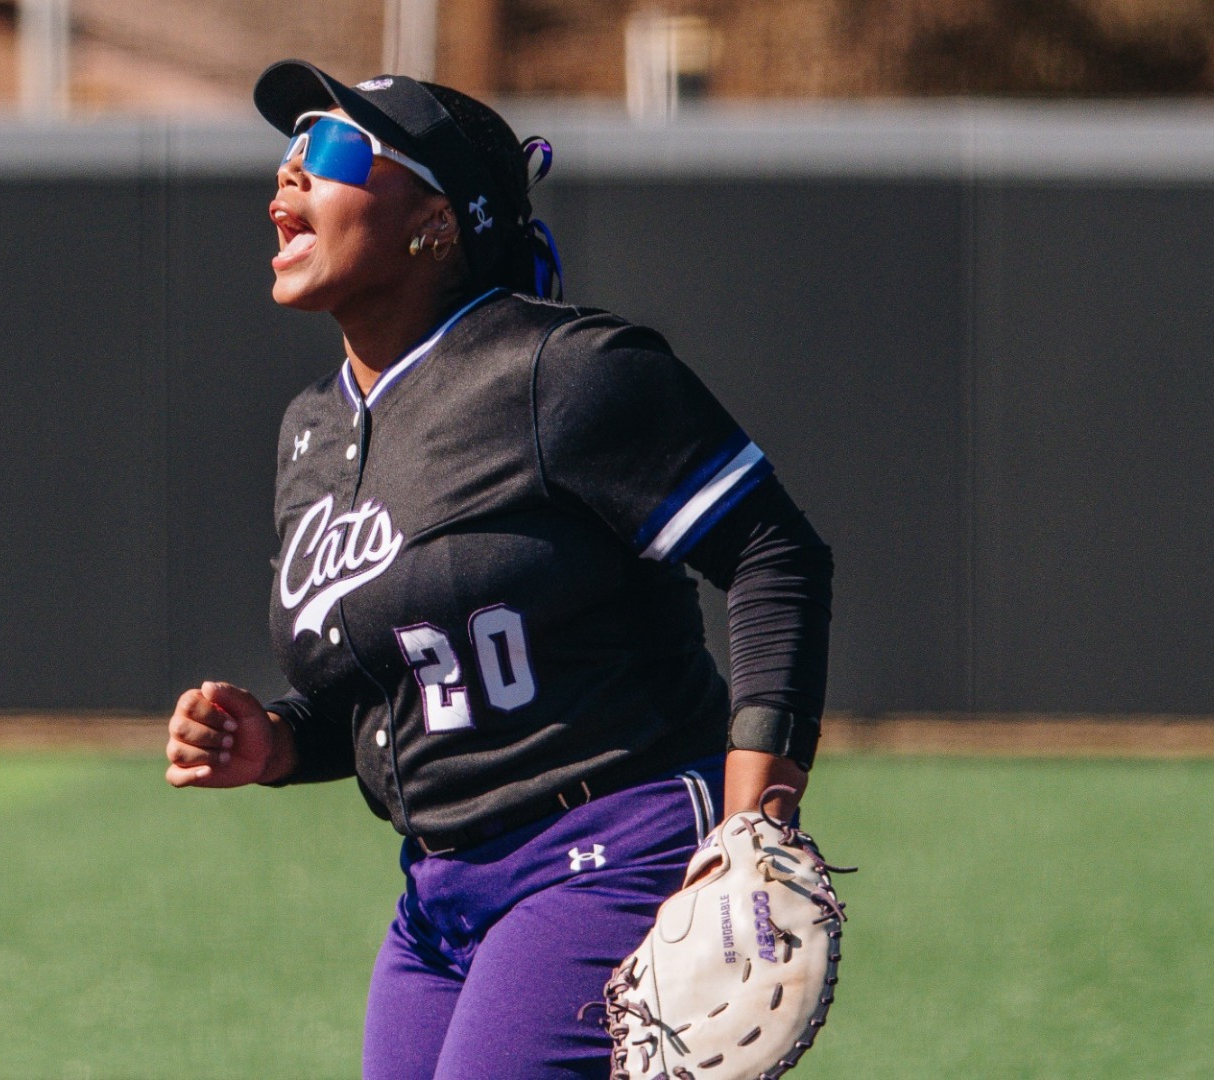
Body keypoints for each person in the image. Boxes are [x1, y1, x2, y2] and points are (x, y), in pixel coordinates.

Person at [165, 59, 834, 1080]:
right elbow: (417, 688)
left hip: (613, 845)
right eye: (288, 151)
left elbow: (774, 550)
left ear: (438, 219)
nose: (290, 175)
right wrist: (281, 744)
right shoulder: (312, 432)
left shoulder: (560, 373)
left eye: (335, 149)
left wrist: (757, 815)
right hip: (437, 898)